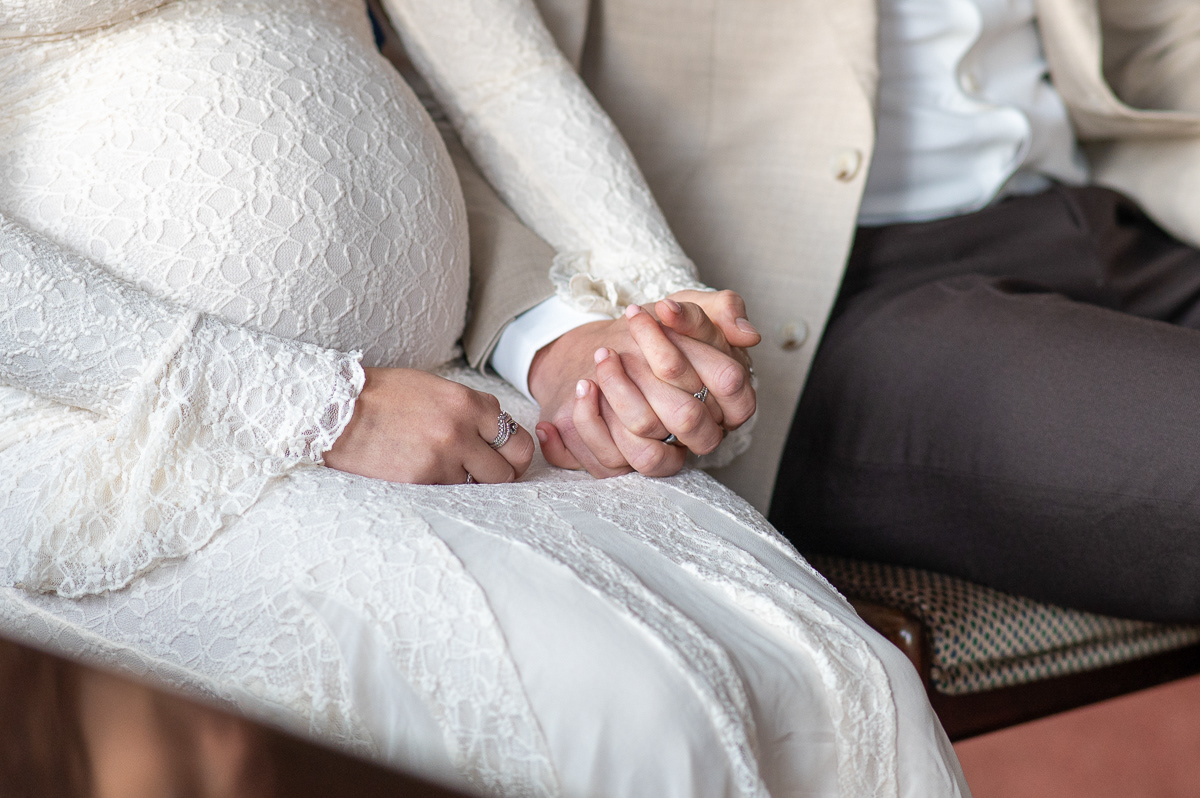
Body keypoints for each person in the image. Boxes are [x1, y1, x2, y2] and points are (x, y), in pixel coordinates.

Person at [0, 0, 969, 795]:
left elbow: (508, 77)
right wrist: (315, 406)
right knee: (626, 716)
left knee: (842, 679)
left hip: (436, 393)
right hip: (126, 435)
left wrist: (652, 313)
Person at [503, 0, 1200, 623]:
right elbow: (485, 87)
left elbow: (1153, 40)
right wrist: (544, 331)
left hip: (1111, 214)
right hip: (835, 300)